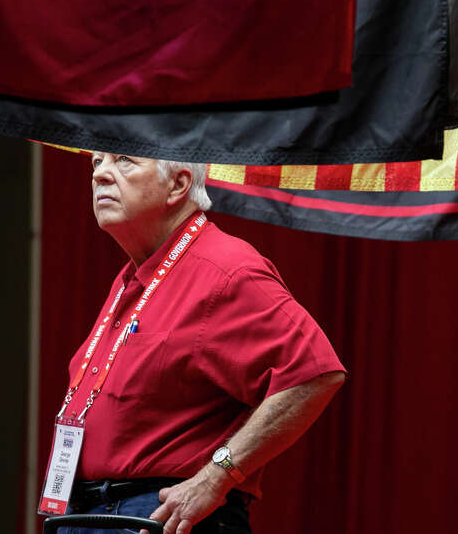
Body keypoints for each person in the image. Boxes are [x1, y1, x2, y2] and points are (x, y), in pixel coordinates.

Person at [51, 153, 346, 534]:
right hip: (87, 513)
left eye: (123, 161)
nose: (101, 175)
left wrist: (217, 475)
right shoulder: (131, 278)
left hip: (159, 516)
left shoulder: (224, 268)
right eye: (95, 163)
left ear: (179, 184)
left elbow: (314, 374)